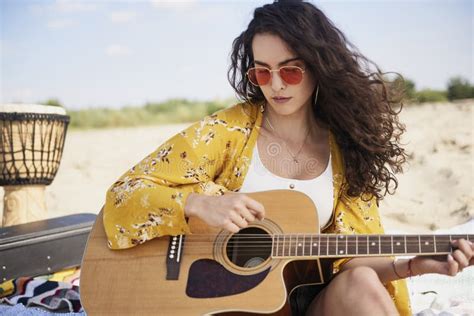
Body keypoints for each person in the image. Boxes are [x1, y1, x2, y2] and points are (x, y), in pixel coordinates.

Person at [102, 1, 474, 315]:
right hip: (223, 304)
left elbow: (351, 258)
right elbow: (123, 195)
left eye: (290, 70)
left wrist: (409, 265)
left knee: (361, 281)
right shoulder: (227, 131)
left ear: (318, 66)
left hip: (303, 303)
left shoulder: (345, 148)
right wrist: (197, 204)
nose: (275, 84)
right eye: (262, 71)